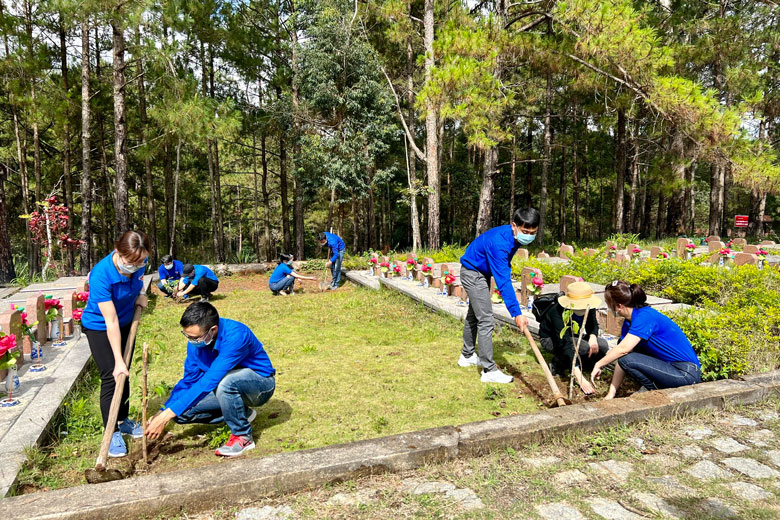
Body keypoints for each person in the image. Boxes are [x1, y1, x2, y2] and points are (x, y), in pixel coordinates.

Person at [145, 302, 276, 457]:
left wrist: (166, 416)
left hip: (259, 385)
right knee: (181, 413)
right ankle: (243, 414)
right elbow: (189, 380)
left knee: (226, 382)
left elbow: (210, 380)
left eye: (194, 337)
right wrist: (163, 412)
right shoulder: (196, 344)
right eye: (187, 335)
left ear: (212, 330)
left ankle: (243, 437)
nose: (191, 341)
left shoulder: (236, 336)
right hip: (223, 386)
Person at [81, 230, 149, 457]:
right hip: (100, 326)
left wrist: (140, 294)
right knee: (113, 373)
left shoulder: (141, 261)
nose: (136, 265)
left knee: (125, 371)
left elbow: (139, 280)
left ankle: (123, 420)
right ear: (118, 252)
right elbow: (109, 321)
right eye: (131, 262)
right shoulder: (101, 275)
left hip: (126, 320)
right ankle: (111, 432)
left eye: (140, 261)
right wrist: (118, 361)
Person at [458, 207, 539, 383]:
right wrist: (516, 313)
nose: (529, 236)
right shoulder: (500, 243)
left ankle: (467, 356)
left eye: (533, 232)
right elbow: (503, 281)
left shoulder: (513, 237)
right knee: (486, 319)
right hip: (473, 273)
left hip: (480, 272)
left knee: (475, 315)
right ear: (514, 226)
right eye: (525, 231)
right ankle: (489, 370)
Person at [592, 281, 702, 399]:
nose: (608, 307)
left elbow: (623, 351)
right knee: (625, 355)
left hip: (686, 373)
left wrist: (599, 364)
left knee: (627, 357)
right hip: (670, 369)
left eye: (609, 304)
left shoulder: (645, 316)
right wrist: (611, 394)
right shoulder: (629, 322)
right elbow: (621, 356)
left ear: (619, 306)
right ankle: (654, 390)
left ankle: (652, 390)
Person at [538, 281, 609, 395]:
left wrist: (593, 336)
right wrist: (578, 375)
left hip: (573, 336)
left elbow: (593, 325)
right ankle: (558, 364)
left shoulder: (588, 307)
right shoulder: (557, 311)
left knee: (602, 345)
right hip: (552, 339)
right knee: (583, 348)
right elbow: (563, 341)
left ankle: (588, 366)